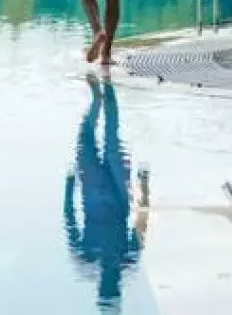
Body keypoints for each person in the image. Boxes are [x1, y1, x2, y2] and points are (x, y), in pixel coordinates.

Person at [64, 74, 150, 309]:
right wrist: (144, 184)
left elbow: (70, 220)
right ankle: (106, 91)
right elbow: (141, 220)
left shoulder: (86, 257)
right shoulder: (127, 258)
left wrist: (69, 185)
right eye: (111, 289)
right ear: (117, 289)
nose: (108, 284)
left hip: (94, 189)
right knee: (110, 135)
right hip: (117, 193)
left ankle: (97, 100)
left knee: (86, 136)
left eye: (105, 289)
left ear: (100, 288)